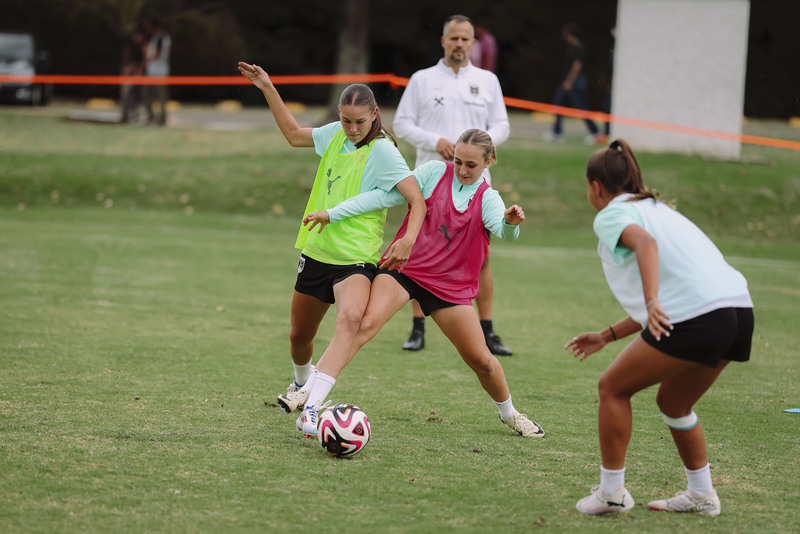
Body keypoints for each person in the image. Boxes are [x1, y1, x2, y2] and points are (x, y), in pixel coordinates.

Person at [290, 129, 544, 439]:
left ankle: (510, 414)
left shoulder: (489, 198)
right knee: (362, 325)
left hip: (449, 287)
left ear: (490, 161)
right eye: (458, 161)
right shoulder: (434, 172)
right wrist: (333, 213)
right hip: (404, 269)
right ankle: (312, 401)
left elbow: (504, 230)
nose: (462, 170)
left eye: (471, 165)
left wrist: (509, 222)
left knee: (482, 361)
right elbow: (385, 196)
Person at [565, 139, 753, 516]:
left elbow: (645, 247)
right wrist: (607, 334)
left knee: (612, 388)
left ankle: (611, 493)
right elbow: (679, 295)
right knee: (674, 402)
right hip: (737, 312)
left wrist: (651, 301)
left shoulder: (613, 214)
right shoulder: (657, 208)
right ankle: (702, 495)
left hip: (700, 316)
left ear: (596, 187)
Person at [236, 62, 426, 422]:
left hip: (356, 258)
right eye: (346, 121)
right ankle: (301, 382)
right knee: (298, 336)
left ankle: (311, 402)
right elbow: (293, 134)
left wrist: (408, 240)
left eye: (360, 121)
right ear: (339, 115)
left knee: (350, 319)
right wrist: (267, 87)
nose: (353, 129)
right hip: (317, 251)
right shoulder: (334, 136)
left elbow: (417, 200)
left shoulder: (384, 151)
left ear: (374, 114)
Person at [393, 14, 513, 356]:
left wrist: (478, 146)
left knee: (483, 259)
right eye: (453, 38)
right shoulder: (422, 79)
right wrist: (436, 141)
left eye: (465, 39)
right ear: (443, 41)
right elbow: (402, 123)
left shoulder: (487, 80)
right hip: (431, 182)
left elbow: (502, 125)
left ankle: (487, 329)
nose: (459, 44)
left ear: (474, 43)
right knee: (418, 251)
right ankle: (417, 329)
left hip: (476, 185)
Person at [543, 23, 603, 145]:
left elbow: (577, 65)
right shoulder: (572, 46)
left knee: (581, 107)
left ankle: (596, 133)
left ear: (570, 34)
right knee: (559, 104)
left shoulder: (578, 47)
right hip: (572, 81)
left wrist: (570, 81)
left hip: (575, 82)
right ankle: (557, 132)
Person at [142, 16, 171, 126]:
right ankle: (154, 117)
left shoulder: (161, 37)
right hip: (155, 71)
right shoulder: (158, 37)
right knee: (151, 94)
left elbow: (158, 54)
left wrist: (146, 61)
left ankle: (159, 118)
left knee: (159, 96)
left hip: (158, 72)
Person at [119, 28, 146, 124]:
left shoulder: (143, 46)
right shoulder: (133, 47)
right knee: (128, 96)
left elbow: (143, 61)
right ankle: (127, 115)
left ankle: (133, 115)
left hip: (139, 76)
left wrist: (136, 70)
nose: (135, 38)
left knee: (134, 96)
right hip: (132, 75)